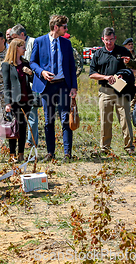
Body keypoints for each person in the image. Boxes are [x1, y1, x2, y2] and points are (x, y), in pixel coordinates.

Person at [30, 15, 78, 162]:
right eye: (64, 26)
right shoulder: (39, 41)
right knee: (48, 120)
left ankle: (67, 153)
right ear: (56, 27)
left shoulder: (66, 43)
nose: (66, 29)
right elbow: (32, 63)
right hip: (47, 87)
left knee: (65, 119)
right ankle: (50, 152)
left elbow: (71, 66)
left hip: (63, 85)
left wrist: (74, 87)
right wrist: (42, 72)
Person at [89, 27, 134, 156]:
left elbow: (132, 69)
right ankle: (105, 147)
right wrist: (105, 77)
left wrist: (124, 74)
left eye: (111, 40)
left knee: (125, 119)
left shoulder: (123, 51)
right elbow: (92, 74)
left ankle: (129, 146)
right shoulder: (98, 54)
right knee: (105, 119)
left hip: (121, 90)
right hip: (105, 91)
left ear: (115, 38)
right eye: (107, 40)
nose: (109, 43)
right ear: (103, 39)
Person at [2, 38, 33, 162]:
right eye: (23, 47)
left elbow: (31, 81)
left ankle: (21, 153)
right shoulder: (6, 65)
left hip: (26, 100)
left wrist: (30, 74)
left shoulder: (25, 63)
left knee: (23, 127)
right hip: (14, 101)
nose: (25, 49)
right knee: (13, 127)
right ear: (16, 48)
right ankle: (12, 154)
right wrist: (7, 102)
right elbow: (6, 84)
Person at [11, 24, 39, 149]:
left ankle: (31, 141)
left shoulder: (33, 42)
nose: (13, 40)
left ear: (22, 35)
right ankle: (19, 140)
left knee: (32, 114)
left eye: (16, 37)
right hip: (19, 85)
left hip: (31, 83)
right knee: (18, 118)